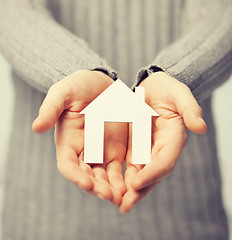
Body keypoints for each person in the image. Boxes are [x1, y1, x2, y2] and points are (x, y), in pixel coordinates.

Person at [0, 0, 231, 239]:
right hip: (41, 213)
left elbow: (220, 14)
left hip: (186, 211)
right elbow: (12, 10)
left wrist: (177, 74)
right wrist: (72, 70)